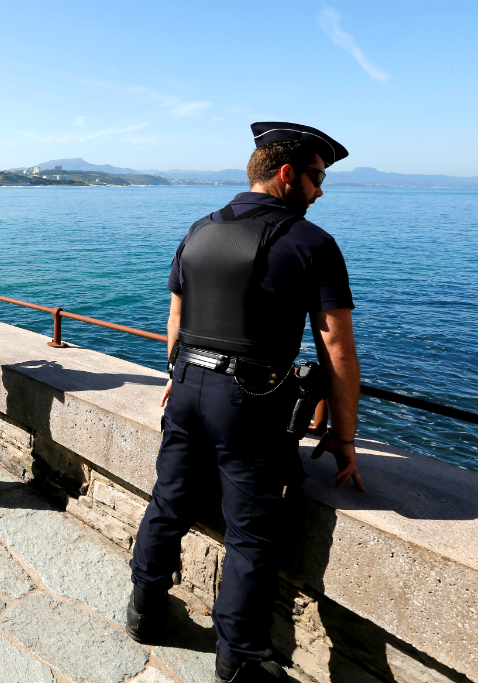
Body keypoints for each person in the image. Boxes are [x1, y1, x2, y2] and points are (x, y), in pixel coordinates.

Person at [125, 122, 364, 683]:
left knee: (168, 503)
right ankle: (238, 662)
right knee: (251, 535)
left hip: (186, 388)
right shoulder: (313, 243)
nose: (320, 190)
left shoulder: (199, 230)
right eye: (316, 176)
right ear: (286, 174)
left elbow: (177, 320)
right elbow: (337, 349)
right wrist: (345, 436)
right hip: (251, 403)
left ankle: (144, 611)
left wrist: (174, 375)